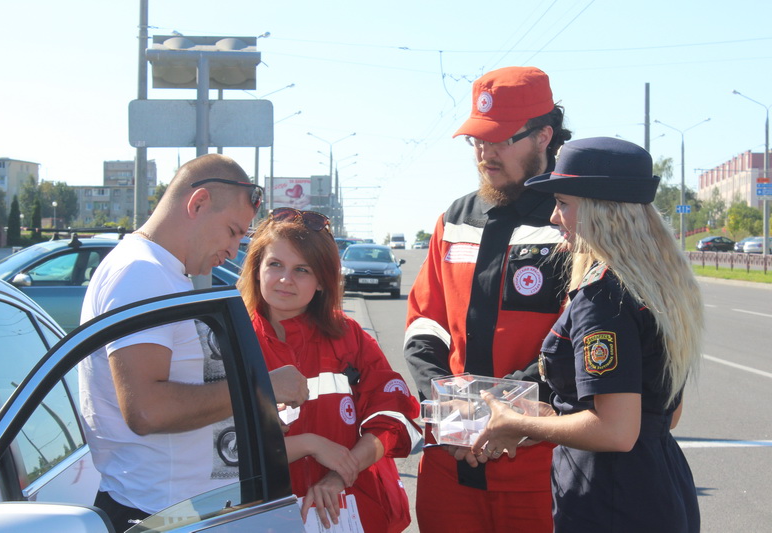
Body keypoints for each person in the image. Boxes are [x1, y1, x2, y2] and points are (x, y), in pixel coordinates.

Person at [473, 137, 702, 532]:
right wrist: (551, 416)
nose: (553, 217)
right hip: (659, 488)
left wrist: (518, 424)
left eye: (563, 203)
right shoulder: (660, 285)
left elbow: (616, 431)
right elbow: (664, 414)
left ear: (601, 212)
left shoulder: (604, 295)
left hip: (613, 503)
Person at [78, 154, 309, 532]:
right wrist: (260, 389)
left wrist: (251, 416)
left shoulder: (158, 272)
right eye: (234, 231)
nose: (234, 251)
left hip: (172, 511)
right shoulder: (142, 274)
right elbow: (147, 410)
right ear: (198, 203)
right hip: (160, 516)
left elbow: (182, 395)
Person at [404, 65, 572, 532]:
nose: (484, 153)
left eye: (499, 140)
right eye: (477, 140)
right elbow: (425, 323)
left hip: (540, 470)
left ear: (543, 135)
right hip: (448, 465)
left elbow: (573, 340)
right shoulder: (455, 219)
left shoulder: (571, 220)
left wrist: (496, 413)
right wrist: (448, 405)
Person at [238, 207, 422, 532]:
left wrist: (340, 475)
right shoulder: (231, 343)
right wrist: (310, 443)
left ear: (322, 281)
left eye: (302, 270)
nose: (285, 279)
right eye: (275, 265)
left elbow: (394, 417)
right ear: (256, 270)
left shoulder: (348, 335)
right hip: (264, 517)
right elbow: (222, 450)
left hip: (350, 511)